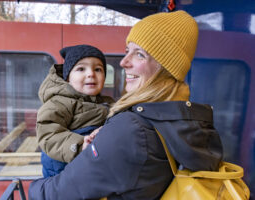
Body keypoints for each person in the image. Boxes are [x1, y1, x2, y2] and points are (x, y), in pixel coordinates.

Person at [29, 10, 223, 199]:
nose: (123, 62)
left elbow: (59, 192)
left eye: (139, 54)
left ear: (166, 69)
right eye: (126, 51)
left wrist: (32, 188)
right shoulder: (185, 121)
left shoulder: (131, 129)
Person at [37, 44, 114, 177]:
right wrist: (79, 144)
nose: (91, 74)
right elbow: (49, 135)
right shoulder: (59, 102)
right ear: (67, 78)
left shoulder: (108, 103)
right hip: (62, 174)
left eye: (98, 69)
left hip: (93, 168)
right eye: (81, 69)